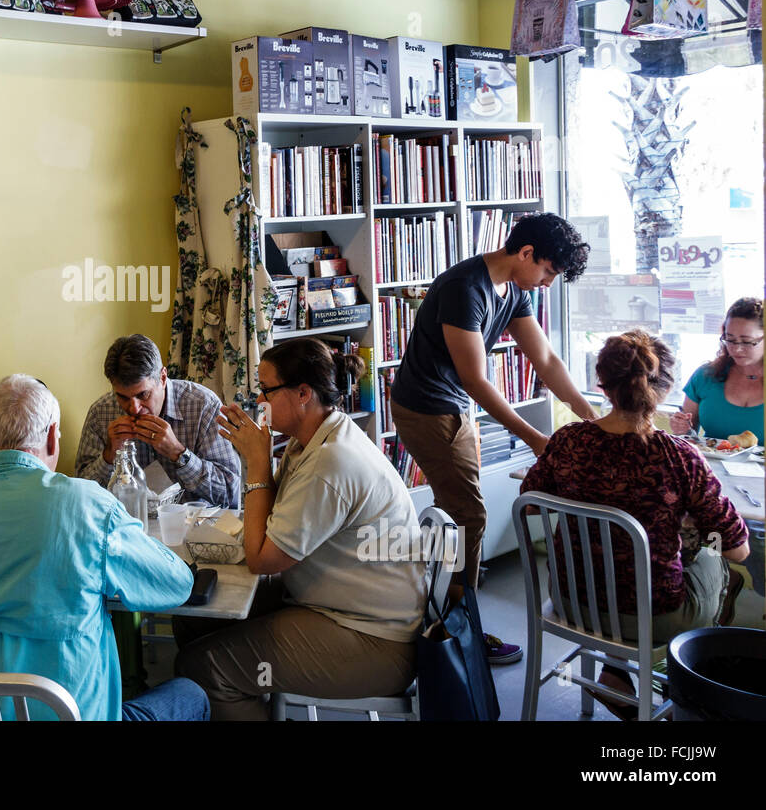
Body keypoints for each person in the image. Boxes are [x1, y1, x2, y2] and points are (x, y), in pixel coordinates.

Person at [0, 374, 209, 721]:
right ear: (50, 436)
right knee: (189, 694)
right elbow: (175, 585)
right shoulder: (88, 505)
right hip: (69, 714)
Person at [174, 338, 427, 720]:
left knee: (205, 668)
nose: (260, 401)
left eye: (266, 390)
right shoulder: (310, 441)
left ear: (303, 393)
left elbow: (263, 559)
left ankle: (241, 697)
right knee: (194, 618)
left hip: (373, 639)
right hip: (336, 606)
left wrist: (258, 464)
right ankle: (249, 703)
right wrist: (260, 458)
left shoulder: (331, 463)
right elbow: (274, 521)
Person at [389, 211, 596, 665]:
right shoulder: (466, 289)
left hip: (451, 406)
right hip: (427, 407)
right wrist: (536, 440)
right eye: (547, 271)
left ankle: (436, 620)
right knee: (469, 515)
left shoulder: (513, 288)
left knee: (455, 514)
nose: (547, 283)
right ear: (525, 253)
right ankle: (460, 632)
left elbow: (545, 359)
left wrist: (589, 416)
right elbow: (476, 381)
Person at [521, 331, 748, 719]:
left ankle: (615, 672)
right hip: (654, 615)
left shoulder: (568, 442)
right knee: (719, 562)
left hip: (572, 601)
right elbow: (738, 547)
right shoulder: (680, 457)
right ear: (662, 389)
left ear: (602, 385)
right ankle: (689, 683)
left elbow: (528, 504)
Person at [74, 334, 241, 508]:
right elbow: (79, 497)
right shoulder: (101, 413)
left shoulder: (203, 405)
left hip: (194, 526)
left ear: (162, 378)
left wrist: (179, 453)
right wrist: (108, 456)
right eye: (122, 397)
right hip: (124, 526)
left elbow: (231, 494)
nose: (134, 408)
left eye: (143, 395)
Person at [670, 297, 764, 441]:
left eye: (747, 342)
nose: (737, 349)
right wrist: (682, 428)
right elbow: (688, 436)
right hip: (709, 463)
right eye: (730, 339)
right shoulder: (706, 376)